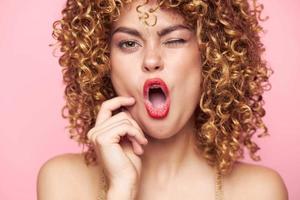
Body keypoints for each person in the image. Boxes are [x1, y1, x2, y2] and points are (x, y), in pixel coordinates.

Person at [37, 0, 288, 199]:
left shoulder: (260, 191)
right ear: (103, 61)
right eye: (128, 43)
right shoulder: (63, 182)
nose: (151, 60)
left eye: (175, 40)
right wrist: (121, 191)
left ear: (211, 56)